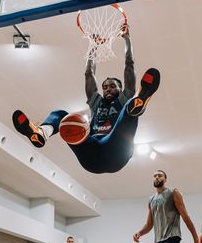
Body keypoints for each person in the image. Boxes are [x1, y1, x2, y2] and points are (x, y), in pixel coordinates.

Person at [12, 28, 161, 174]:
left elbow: (130, 65)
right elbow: (89, 74)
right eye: (104, 87)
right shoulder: (97, 102)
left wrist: (127, 39)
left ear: (120, 88)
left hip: (116, 150)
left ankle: (141, 98)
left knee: (129, 109)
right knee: (62, 116)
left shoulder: (123, 98)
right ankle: (42, 132)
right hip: (90, 153)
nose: (107, 89)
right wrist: (93, 47)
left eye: (112, 86)